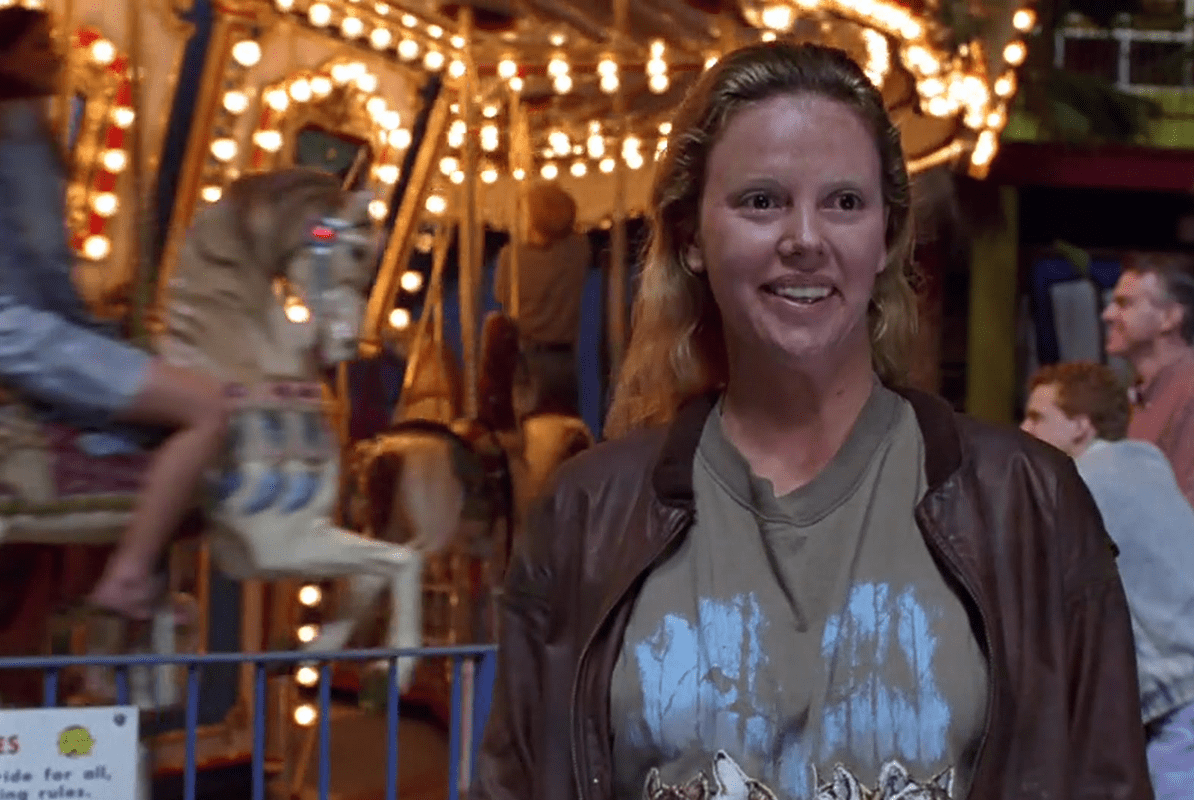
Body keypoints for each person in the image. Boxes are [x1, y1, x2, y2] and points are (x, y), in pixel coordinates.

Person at [474, 42, 1151, 800]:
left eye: (844, 202)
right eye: (761, 201)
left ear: (887, 237)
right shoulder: (586, 517)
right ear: (693, 237)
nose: (805, 238)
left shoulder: (1029, 506)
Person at [0, 7, 231, 621]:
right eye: (40, 45)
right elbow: (44, 265)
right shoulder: (18, 129)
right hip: (19, 330)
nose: (55, 54)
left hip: (17, 326)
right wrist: (99, 334)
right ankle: (128, 578)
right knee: (208, 407)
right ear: (5, 57)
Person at [1022, 361, 1194, 799]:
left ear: (1081, 426)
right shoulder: (1146, 464)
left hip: (1180, 700)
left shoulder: (1082, 483)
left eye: (1038, 418)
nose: (1022, 429)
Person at [1103, 252, 1194, 508]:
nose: (1108, 314)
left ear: (1170, 318)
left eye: (1124, 303)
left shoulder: (1189, 395)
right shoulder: (1141, 394)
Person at [493, 182, 591, 417]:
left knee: (529, 429)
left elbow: (502, 297)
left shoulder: (512, 257)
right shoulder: (578, 250)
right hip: (564, 358)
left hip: (527, 358)